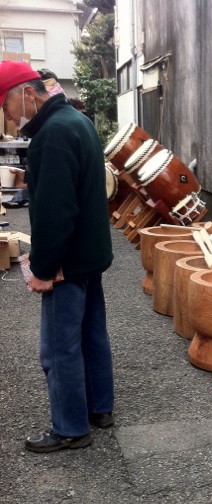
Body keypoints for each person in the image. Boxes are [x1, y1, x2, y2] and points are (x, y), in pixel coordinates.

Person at [0, 60, 115, 453]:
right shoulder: (77, 121)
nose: (8, 117)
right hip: (90, 254)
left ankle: (70, 428)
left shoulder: (51, 134)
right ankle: (100, 408)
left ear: (26, 93)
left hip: (67, 260)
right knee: (91, 334)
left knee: (58, 347)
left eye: (6, 105)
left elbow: (55, 212)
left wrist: (44, 269)